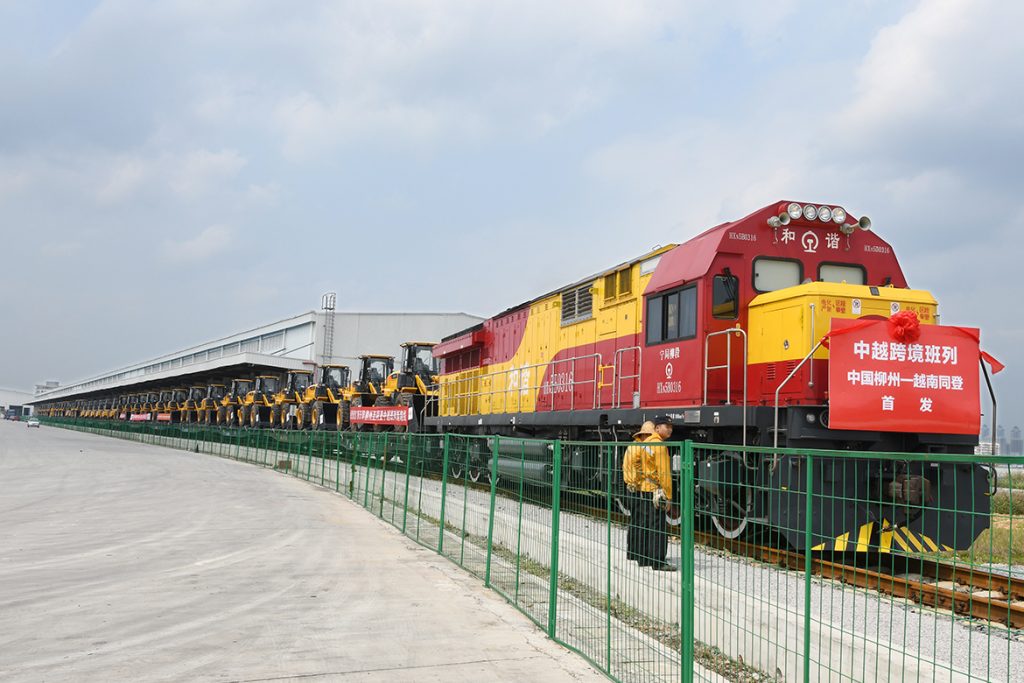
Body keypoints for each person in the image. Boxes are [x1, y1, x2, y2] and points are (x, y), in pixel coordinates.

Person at [636, 415, 676, 571]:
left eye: (671, 427)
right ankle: (658, 562)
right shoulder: (659, 445)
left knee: (645, 523)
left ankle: (643, 558)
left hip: (645, 488)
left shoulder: (646, 442)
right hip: (656, 491)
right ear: (657, 428)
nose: (670, 430)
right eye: (667, 427)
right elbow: (664, 473)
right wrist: (669, 496)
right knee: (658, 526)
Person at [622, 421, 655, 563]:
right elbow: (639, 466)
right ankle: (641, 555)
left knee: (635, 520)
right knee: (641, 521)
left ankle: (632, 552)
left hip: (630, 486)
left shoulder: (632, 446)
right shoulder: (642, 448)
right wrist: (642, 480)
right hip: (637, 488)